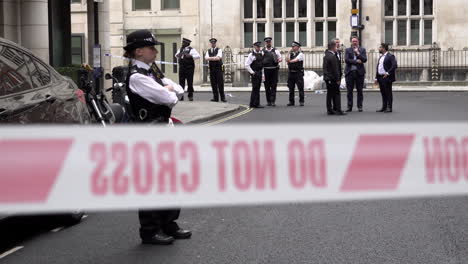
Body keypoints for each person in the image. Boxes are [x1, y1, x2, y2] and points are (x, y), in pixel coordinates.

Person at [123, 29, 191, 245]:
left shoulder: (152, 71)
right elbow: (169, 97)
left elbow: (179, 89)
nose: (154, 50)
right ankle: (150, 230)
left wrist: (170, 89)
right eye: (151, 47)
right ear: (139, 51)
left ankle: (169, 223)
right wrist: (169, 90)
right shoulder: (137, 77)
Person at [323, 39, 346, 115]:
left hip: (327, 78)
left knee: (329, 94)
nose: (337, 47)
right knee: (336, 94)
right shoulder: (332, 56)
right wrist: (338, 79)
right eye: (336, 46)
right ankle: (338, 110)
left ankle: (329, 109)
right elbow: (335, 69)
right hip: (332, 78)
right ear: (333, 47)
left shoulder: (326, 55)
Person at [344, 36, 367, 112]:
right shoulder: (347, 50)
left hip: (359, 73)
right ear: (351, 42)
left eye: (356, 41)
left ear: (358, 42)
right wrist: (356, 61)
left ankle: (360, 106)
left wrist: (357, 53)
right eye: (353, 41)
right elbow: (347, 60)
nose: (354, 42)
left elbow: (364, 59)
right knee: (349, 91)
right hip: (349, 72)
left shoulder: (362, 50)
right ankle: (349, 106)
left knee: (360, 91)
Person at [374, 43, 398, 113]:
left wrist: (388, 73)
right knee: (383, 93)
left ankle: (389, 107)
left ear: (384, 48)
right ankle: (384, 107)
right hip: (380, 77)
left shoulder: (390, 56)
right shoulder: (381, 57)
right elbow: (378, 68)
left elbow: (394, 65)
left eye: (380, 47)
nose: (379, 49)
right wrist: (376, 78)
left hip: (387, 77)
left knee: (388, 93)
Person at [262, 37, 282, 107]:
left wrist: (277, 60)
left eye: (269, 42)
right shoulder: (262, 51)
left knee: (273, 86)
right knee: (267, 86)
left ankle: (273, 101)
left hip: (274, 70)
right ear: (265, 43)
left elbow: (280, 58)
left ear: (271, 42)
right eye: (267, 42)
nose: (268, 43)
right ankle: (268, 101)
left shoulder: (275, 50)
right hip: (265, 70)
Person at [205, 38, 226, 102]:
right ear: (210, 43)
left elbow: (218, 58)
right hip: (212, 69)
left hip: (218, 69)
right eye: (212, 43)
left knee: (220, 84)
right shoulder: (208, 51)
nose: (213, 44)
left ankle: (223, 98)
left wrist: (210, 58)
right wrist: (214, 58)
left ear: (215, 43)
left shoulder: (219, 50)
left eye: (214, 43)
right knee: (213, 84)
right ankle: (215, 98)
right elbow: (206, 58)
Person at [245, 41, 264, 108]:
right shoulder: (251, 55)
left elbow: (262, 65)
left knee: (257, 88)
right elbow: (247, 65)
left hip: (259, 72)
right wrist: (252, 72)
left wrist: (262, 74)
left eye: (259, 47)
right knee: (255, 88)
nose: (258, 48)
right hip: (255, 73)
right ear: (255, 47)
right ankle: (253, 103)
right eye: (257, 46)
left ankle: (256, 103)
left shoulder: (261, 53)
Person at [286, 41, 305, 107]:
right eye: (292, 46)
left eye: (294, 46)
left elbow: (296, 60)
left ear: (298, 47)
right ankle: (291, 101)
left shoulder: (301, 54)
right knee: (291, 88)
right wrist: (288, 52)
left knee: (300, 87)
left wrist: (289, 61)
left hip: (298, 73)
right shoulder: (291, 54)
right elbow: (286, 60)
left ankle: (301, 101)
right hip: (291, 72)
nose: (293, 47)